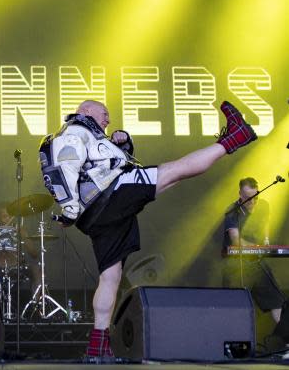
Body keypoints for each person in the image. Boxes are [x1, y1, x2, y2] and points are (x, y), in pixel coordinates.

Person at [38, 99, 257, 358]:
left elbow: (103, 161)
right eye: (104, 113)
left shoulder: (91, 134)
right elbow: (65, 164)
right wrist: (69, 208)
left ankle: (98, 346)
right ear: (86, 111)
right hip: (111, 193)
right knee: (175, 171)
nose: (108, 119)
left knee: (110, 277)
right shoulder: (75, 130)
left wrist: (122, 144)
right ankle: (234, 137)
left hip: (100, 213)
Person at [222, 177, 287, 348]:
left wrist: (265, 243)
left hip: (256, 263)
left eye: (256, 197)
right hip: (235, 265)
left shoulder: (263, 206)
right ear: (240, 195)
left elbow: (264, 225)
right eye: (249, 199)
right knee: (234, 305)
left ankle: (287, 342)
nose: (253, 203)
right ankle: (231, 345)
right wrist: (256, 247)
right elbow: (235, 241)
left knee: (276, 300)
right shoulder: (232, 211)